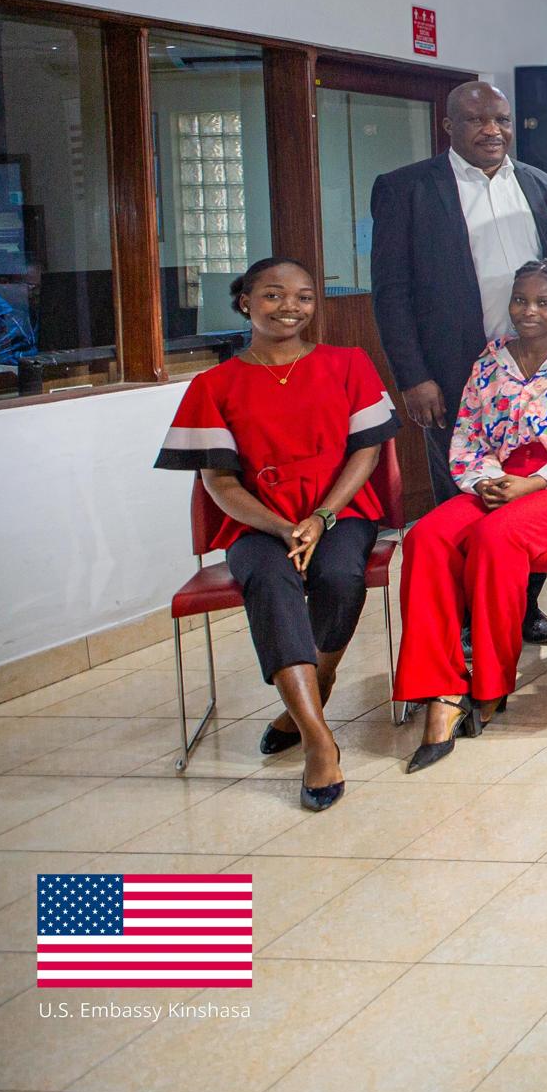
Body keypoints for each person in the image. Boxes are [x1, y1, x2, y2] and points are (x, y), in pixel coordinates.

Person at [154, 257, 396, 810]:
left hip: (340, 511)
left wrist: (321, 519)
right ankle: (317, 740)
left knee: (339, 575)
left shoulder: (349, 363)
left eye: (304, 296)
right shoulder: (213, 385)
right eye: (273, 295)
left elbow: (368, 451)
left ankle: (316, 685)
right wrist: (283, 526)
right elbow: (217, 481)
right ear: (244, 302)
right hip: (258, 522)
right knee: (270, 580)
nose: (290, 306)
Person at [396, 260, 547, 770]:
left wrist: (534, 483)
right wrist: (485, 481)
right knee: (426, 536)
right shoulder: (490, 359)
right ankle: (439, 689)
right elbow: (468, 433)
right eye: (521, 300)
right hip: (496, 480)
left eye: (544, 302)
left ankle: (491, 684)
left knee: (497, 537)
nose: (529, 311)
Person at [370, 79, 547, 644]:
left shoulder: (541, 185)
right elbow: (392, 293)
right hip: (454, 375)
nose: (492, 131)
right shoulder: (406, 189)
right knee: (465, 492)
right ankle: (463, 615)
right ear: (449, 126)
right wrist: (414, 377)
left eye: (502, 120)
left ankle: (523, 605)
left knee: (532, 491)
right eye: (478, 120)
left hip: (538, 373)